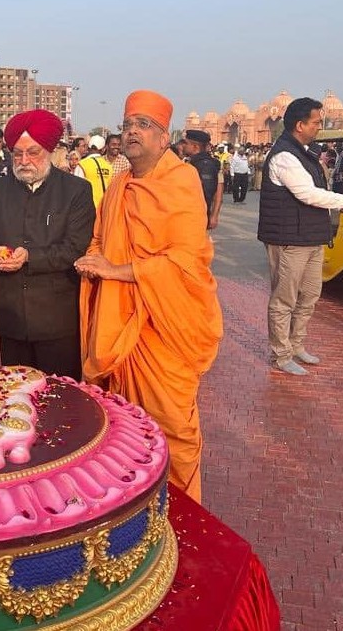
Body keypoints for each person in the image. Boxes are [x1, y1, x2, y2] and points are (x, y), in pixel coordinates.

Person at [76, 90, 223, 503]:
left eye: (144, 125)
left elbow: (186, 261)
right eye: (127, 125)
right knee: (122, 430)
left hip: (164, 327)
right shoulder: (120, 184)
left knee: (173, 428)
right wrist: (92, 259)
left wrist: (117, 271)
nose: (132, 132)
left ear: (164, 137)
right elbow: (100, 239)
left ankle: (184, 517)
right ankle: (133, 514)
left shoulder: (182, 180)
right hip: (120, 324)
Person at [257, 97, 343, 376]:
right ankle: (281, 353)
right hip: (289, 239)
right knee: (284, 299)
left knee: (310, 295)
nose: (319, 127)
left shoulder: (306, 152)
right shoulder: (285, 155)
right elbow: (306, 193)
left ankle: (297, 344)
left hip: (311, 237)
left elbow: (317, 193)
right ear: (300, 125)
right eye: (316, 122)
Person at [0, 109, 95, 379]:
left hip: (56, 319)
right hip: (10, 315)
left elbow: (75, 248)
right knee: (15, 397)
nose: (24, 160)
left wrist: (29, 256)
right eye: (17, 153)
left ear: (49, 151)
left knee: (61, 400)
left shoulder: (76, 191)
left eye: (33, 152)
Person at [179, 130, 223, 230]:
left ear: (195, 147)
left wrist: (214, 215)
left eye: (186, 143)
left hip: (195, 217)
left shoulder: (204, 165)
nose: (183, 146)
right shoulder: (192, 162)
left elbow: (213, 193)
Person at [74, 134, 113, 210]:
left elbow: (76, 190)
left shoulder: (82, 164)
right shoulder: (108, 166)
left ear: (88, 147)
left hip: (88, 209)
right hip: (105, 208)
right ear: (103, 149)